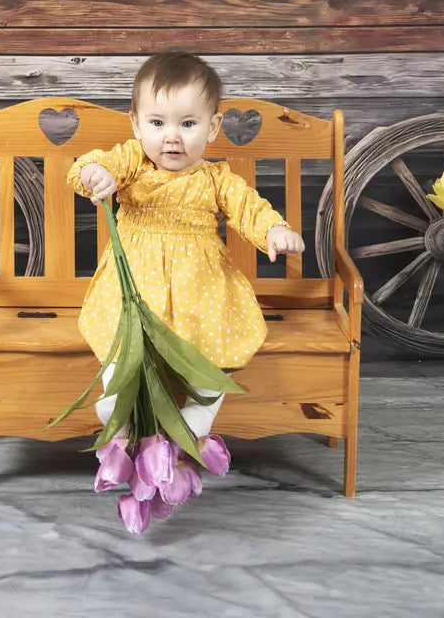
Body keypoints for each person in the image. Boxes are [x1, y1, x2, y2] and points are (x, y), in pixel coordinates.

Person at [66, 52, 305, 438]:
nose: (171, 136)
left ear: (213, 128)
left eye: (188, 123)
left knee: (217, 347)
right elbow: (91, 165)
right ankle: (118, 401)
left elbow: (248, 208)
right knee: (121, 339)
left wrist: (274, 231)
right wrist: (98, 174)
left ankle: (200, 412)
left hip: (199, 292)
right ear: (136, 124)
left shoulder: (215, 179)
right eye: (157, 122)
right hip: (134, 292)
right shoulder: (132, 162)